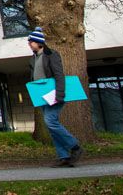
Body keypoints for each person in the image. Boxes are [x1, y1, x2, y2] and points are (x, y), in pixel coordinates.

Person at [27, 27, 84, 167]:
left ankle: (75, 146)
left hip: (54, 95)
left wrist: (59, 94)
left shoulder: (51, 54)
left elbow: (59, 75)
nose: (29, 45)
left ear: (39, 42)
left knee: (50, 121)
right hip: (42, 97)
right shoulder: (33, 59)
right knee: (51, 126)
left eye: (31, 42)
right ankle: (64, 156)